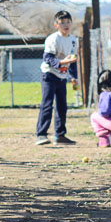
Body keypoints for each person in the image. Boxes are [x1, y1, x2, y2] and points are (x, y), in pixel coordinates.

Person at [35, 10, 79, 145]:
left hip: (62, 76)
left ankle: (60, 135)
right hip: (49, 74)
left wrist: (73, 77)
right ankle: (41, 135)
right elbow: (47, 58)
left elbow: (72, 59)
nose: (66, 25)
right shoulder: (53, 39)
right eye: (62, 23)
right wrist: (61, 63)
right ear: (56, 25)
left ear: (71, 23)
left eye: (68, 22)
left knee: (62, 105)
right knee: (47, 104)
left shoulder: (73, 40)